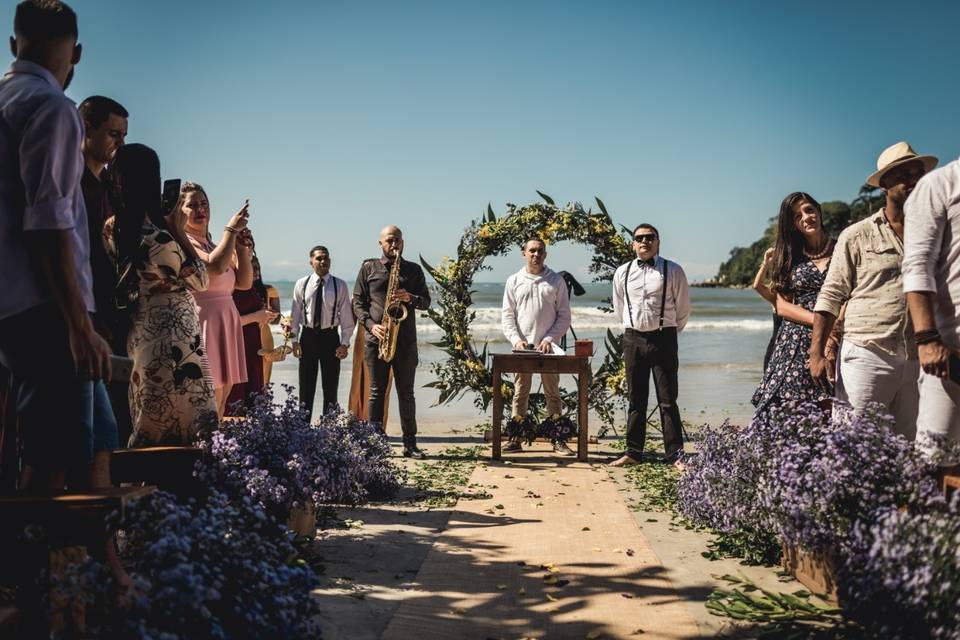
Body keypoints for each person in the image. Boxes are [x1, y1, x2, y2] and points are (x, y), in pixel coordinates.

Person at [0, 0, 115, 489]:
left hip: (12, 304)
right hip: (44, 305)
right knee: (56, 460)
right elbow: (48, 226)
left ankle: (86, 562)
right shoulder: (52, 109)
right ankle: (43, 562)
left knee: (71, 443)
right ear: (78, 53)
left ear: (12, 44)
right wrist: (77, 325)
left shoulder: (8, 100)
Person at [811, 142, 937, 438]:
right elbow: (830, 295)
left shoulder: (935, 232)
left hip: (919, 356)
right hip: (868, 351)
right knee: (858, 443)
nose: (913, 180)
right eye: (904, 174)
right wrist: (816, 353)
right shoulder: (857, 235)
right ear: (884, 184)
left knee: (910, 445)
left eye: (918, 173)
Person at [104, 144, 217, 446]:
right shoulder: (160, 236)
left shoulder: (112, 228)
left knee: (148, 407)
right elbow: (202, 280)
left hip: (140, 327)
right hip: (175, 330)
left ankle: (144, 482)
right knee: (190, 413)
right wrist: (178, 231)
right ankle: (188, 483)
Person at [609, 224, 690, 467]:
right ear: (633, 243)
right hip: (633, 339)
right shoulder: (622, 273)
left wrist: (666, 331)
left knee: (668, 399)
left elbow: (683, 309)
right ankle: (633, 453)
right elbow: (619, 308)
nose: (644, 241)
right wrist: (634, 330)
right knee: (636, 398)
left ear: (658, 242)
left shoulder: (672, 270)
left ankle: (675, 455)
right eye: (639, 238)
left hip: (664, 338)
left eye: (649, 237)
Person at [751, 193, 834, 416]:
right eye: (797, 216)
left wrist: (833, 327)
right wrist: (821, 321)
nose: (806, 217)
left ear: (819, 211)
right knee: (790, 410)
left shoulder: (842, 248)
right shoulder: (790, 256)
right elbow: (783, 306)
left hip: (839, 335)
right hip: (795, 340)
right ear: (793, 225)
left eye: (809, 210)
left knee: (834, 408)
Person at [78, 95, 130, 445]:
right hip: (83, 313)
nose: (120, 144)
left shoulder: (112, 189)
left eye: (124, 136)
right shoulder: (71, 185)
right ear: (87, 129)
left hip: (112, 312)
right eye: (113, 134)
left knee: (112, 423)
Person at [353, 226, 431, 458]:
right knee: (376, 392)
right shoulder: (368, 268)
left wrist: (410, 297)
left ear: (403, 242)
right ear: (380, 244)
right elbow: (357, 302)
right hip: (377, 339)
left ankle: (410, 444)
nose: (394, 244)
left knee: (406, 393)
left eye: (397, 240)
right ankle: (375, 443)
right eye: (389, 240)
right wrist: (370, 325)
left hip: (405, 342)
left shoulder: (413, 270)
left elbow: (426, 301)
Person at [903, 152, 960, 465]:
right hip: (950, 352)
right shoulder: (940, 184)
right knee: (935, 458)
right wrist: (926, 338)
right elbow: (917, 266)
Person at [182, 182, 254, 417]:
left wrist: (243, 250)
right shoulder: (185, 242)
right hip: (204, 323)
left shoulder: (213, 244)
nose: (200, 209)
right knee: (207, 403)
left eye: (204, 204)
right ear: (179, 210)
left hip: (226, 321)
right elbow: (213, 266)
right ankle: (202, 451)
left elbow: (243, 283)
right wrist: (231, 230)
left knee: (222, 403)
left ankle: (214, 450)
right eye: (192, 205)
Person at [500, 237, 572, 455]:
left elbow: (564, 316)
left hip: (549, 349)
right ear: (524, 253)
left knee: (553, 393)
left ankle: (558, 439)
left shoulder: (556, 281)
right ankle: (516, 437)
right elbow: (507, 316)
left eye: (540, 251)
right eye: (532, 251)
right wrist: (515, 340)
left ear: (545, 254)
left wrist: (549, 339)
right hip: (523, 348)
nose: (536, 254)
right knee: (520, 393)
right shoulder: (514, 280)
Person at [291, 246, 355, 421]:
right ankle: (302, 428)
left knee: (331, 386)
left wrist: (345, 343)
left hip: (330, 337)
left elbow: (347, 318)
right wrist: (294, 340)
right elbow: (295, 315)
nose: (323, 261)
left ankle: (329, 429)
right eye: (319, 258)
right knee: (306, 386)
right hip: (308, 337)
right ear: (311, 262)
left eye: (326, 258)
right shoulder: (301, 284)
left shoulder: (339, 284)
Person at [225, 250, 279, 413]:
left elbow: (277, 316)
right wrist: (257, 315)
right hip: (244, 334)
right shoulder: (232, 287)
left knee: (261, 378)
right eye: (251, 267)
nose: (254, 271)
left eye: (257, 268)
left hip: (263, 333)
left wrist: (271, 315)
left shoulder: (267, 289)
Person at [752, 247, 782, 372]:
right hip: (775, 349)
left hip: (796, 348)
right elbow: (757, 286)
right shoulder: (777, 298)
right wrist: (766, 262)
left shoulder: (802, 298)